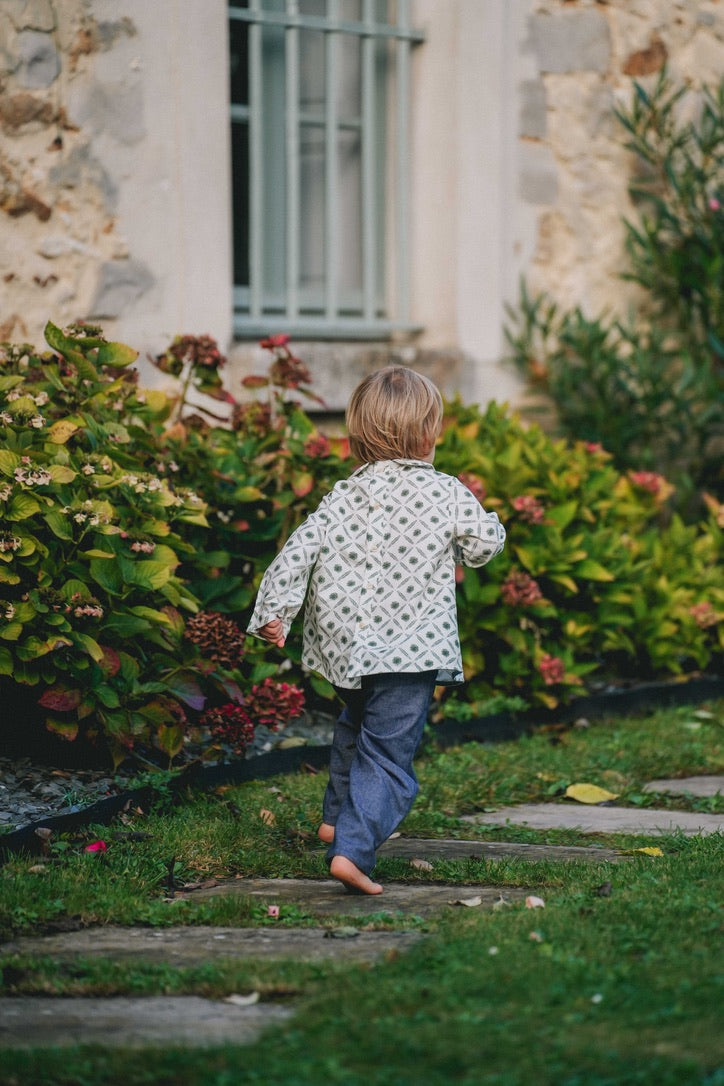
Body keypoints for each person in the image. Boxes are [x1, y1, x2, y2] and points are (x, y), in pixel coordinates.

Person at [247, 366, 505, 894]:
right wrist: (490, 524)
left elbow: (298, 551)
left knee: (356, 722)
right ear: (430, 433)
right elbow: (483, 547)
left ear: (356, 435)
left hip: (346, 652)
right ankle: (354, 850)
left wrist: (276, 612)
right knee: (388, 754)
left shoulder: (342, 495)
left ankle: (336, 816)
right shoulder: (445, 491)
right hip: (409, 655)